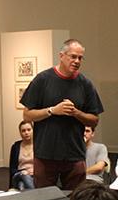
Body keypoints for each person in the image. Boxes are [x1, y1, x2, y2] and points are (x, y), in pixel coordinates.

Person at [20, 38, 104, 189]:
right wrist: (52, 111)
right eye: (73, 56)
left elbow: (94, 120)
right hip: (45, 153)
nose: (77, 61)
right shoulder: (43, 79)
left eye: (80, 58)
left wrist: (76, 113)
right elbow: (27, 115)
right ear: (61, 56)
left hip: (74, 154)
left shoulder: (85, 84)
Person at [8, 121, 35, 190]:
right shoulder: (16, 147)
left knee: (22, 185)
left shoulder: (38, 145)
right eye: (23, 131)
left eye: (29, 130)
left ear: (33, 130)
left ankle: (27, 195)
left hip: (34, 175)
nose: (26, 133)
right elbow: (12, 168)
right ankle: (35, 194)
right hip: (19, 175)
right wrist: (22, 172)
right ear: (20, 133)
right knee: (24, 176)